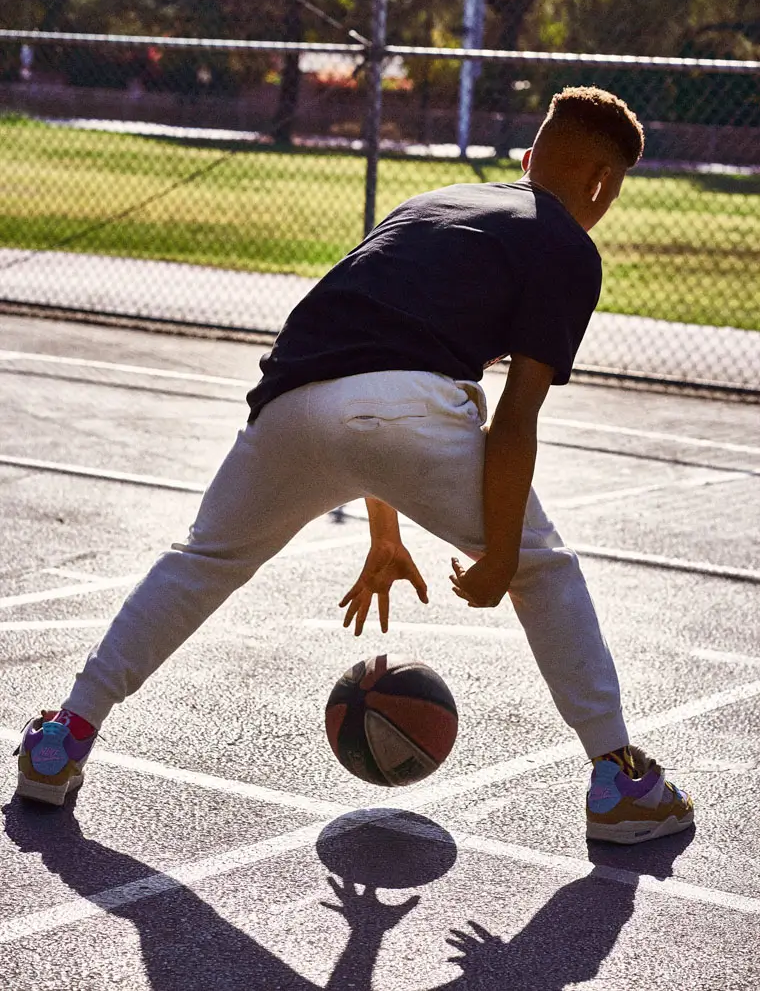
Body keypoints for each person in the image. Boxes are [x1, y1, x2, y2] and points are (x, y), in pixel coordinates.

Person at [15, 86, 693, 844]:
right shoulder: (567, 243)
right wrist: (501, 556)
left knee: (201, 560)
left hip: (289, 400)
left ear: (528, 158)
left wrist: (385, 531)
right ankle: (620, 781)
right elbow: (511, 418)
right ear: (604, 182)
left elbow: (359, 381)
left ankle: (62, 737)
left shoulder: (434, 203)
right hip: (405, 405)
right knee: (546, 569)